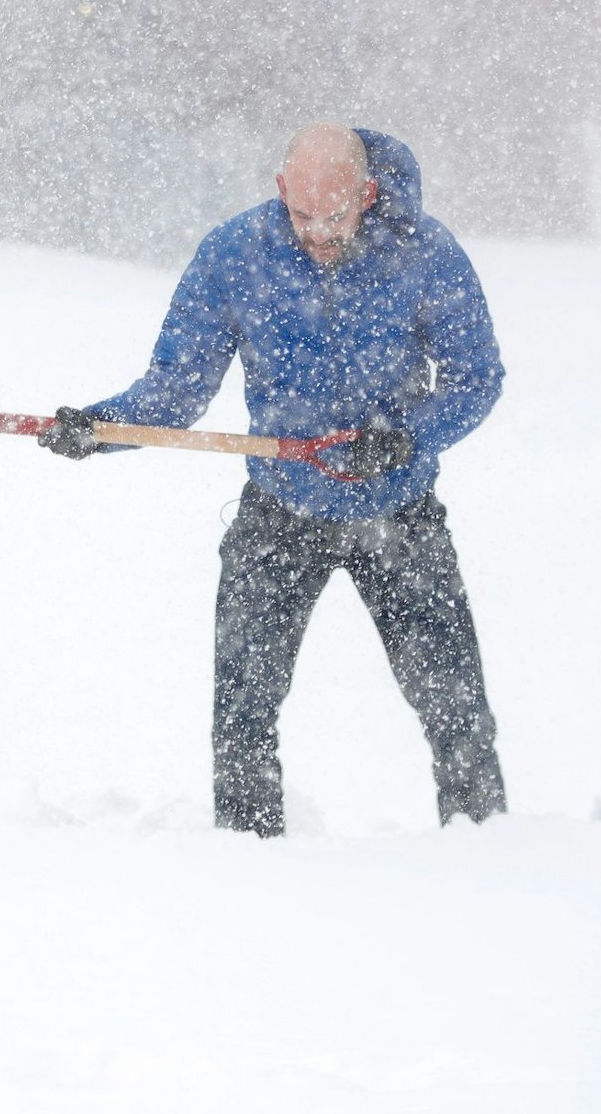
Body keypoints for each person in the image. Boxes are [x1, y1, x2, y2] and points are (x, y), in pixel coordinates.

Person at [39, 124, 507, 836]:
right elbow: (177, 387)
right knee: (243, 706)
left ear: (368, 194)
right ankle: (248, 864)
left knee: (455, 703)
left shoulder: (426, 254)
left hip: (397, 512)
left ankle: (488, 848)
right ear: (281, 188)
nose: (318, 232)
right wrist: (99, 428)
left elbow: (477, 378)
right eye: (302, 214)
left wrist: (408, 437)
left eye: (336, 216)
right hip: (280, 512)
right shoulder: (235, 255)